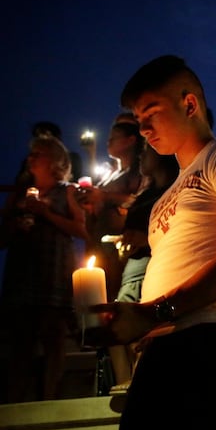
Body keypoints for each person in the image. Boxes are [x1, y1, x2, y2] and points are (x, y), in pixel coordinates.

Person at [89, 54, 216, 430]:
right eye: (138, 120)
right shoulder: (163, 201)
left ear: (190, 105)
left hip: (211, 343)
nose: (144, 128)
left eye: (151, 113)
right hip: (157, 356)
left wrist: (155, 311)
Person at [0, 135, 88, 402]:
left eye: (39, 153)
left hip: (53, 276)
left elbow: (83, 229)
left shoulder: (68, 191)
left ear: (55, 161)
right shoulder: (20, 194)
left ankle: (49, 398)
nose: (31, 158)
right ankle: (15, 402)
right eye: (32, 153)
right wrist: (16, 224)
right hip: (23, 275)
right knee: (20, 343)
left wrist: (45, 213)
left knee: (53, 338)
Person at [107, 144, 180, 394]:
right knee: (116, 322)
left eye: (147, 150)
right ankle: (126, 382)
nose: (141, 155)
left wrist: (145, 239)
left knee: (144, 326)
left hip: (155, 267)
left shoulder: (175, 190)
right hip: (132, 269)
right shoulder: (146, 194)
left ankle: (140, 384)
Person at [76, 114, 145, 304]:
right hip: (99, 242)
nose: (108, 142)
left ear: (131, 140)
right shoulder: (112, 174)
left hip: (120, 247)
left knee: (113, 297)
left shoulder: (140, 171)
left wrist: (104, 196)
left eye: (113, 138)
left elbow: (139, 201)